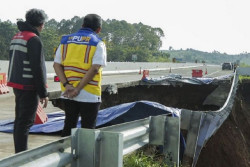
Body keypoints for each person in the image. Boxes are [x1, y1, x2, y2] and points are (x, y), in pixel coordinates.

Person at [53, 14, 107, 137]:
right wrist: (78, 89)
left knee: (68, 126)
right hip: (89, 93)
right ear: (98, 29)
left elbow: (56, 65)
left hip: (68, 92)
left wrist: (67, 85)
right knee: (88, 129)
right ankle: (85, 156)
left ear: (82, 25)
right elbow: (94, 69)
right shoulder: (98, 43)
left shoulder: (65, 41)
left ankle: (65, 154)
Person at [7, 8, 48, 153]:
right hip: (28, 86)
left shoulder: (18, 36)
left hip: (17, 84)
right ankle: (21, 154)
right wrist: (43, 92)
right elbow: (37, 68)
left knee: (20, 121)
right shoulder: (33, 39)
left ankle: (19, 152)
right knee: (25, 122)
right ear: (41, 23)